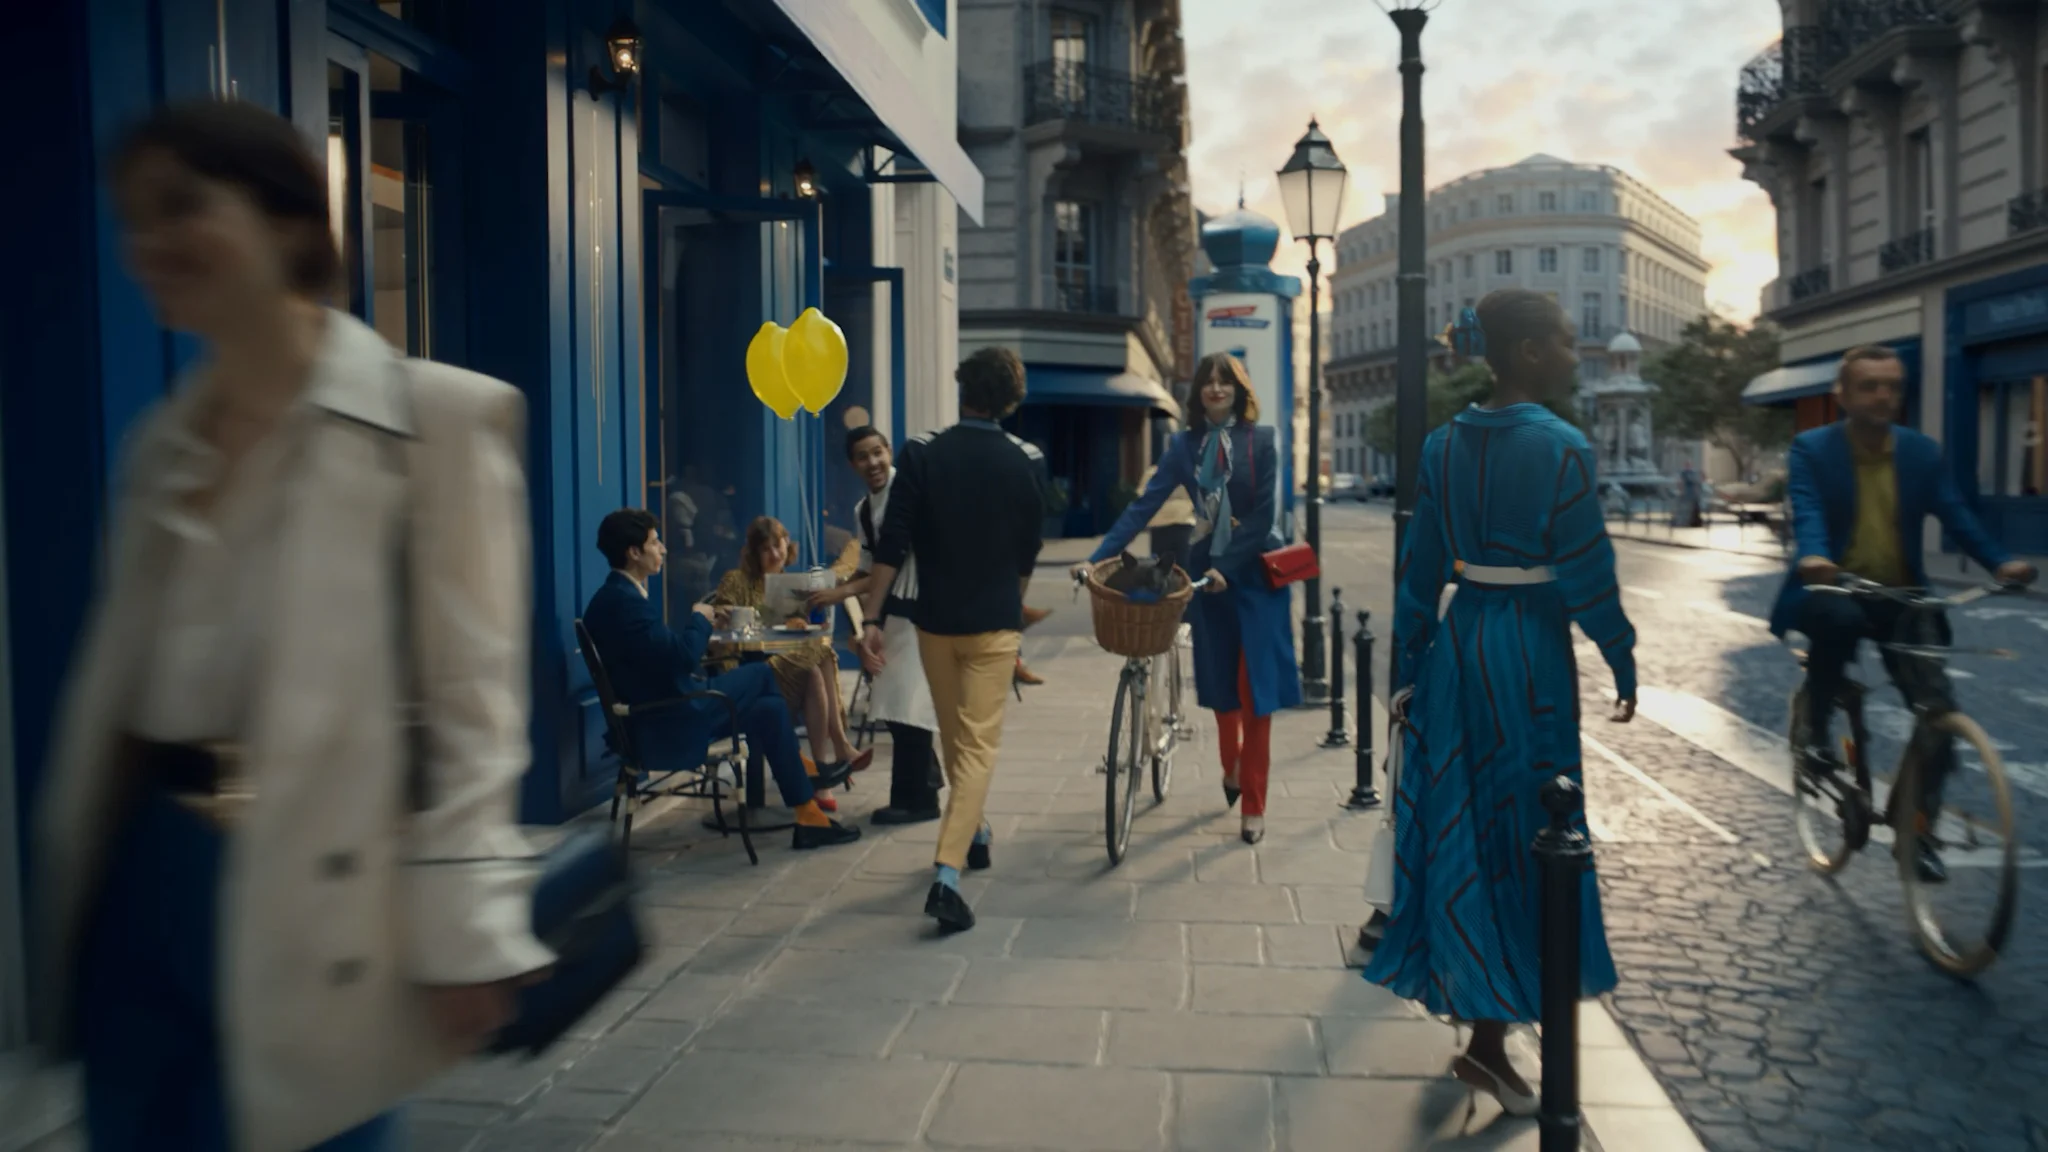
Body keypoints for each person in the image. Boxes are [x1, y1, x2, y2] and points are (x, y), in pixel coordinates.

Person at [31, 99, 553, 1152]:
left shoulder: (434, 423)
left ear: (285, 219)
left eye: (182, 205)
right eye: (135, 220)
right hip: (143, 871)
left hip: (319, 878)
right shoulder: (159, 448)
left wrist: (463, 925)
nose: (150, 243)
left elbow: (474, 703)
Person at [1362, 292, 1638, 1118]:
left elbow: (1419, 570)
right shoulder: (1562, 447)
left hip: (1461, 647)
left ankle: (1486, 1023)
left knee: (1469, 829)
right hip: (1529, 659)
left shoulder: (1443, 445)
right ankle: (1492, 1039)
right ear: (1526, 352)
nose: (1576, 355)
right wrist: (1621, 654)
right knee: (1536, 836)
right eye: (1565, 342)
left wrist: (1410, 669)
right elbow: (1588, 571)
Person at [1771, 345, 2037, 881]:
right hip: (1838, 588)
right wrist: (1815, 558)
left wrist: (2000, 562)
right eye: (1869, 386)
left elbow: (1956, 513)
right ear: (1843, 394)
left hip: (1900, 596)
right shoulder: (1813, 449)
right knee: (1838, 624)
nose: (1883, 396)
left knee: (1938, 712)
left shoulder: (1920, 452)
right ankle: (1816, 732)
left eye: (1892, 386)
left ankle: (1917, 832)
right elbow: (1809, 508)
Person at [858, 348, 1048, 932]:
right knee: (977, 746)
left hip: (934, 623)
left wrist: (870, 619)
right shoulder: (1027, 460)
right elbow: (1028, 549)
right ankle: (947, 873)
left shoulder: (920, 452)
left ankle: (976, 831)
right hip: (993, 623)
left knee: (958, 738)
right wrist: (1015, 603)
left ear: (962, 388)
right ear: (1011, 400)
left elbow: (893, 543)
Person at [1077, 353, 1298, 844]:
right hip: (1207, 577)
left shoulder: (1262, 441)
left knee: (1255, 692)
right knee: (1220, 685)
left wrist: (1227, 566)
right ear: (1198, 392)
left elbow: (1263, 517)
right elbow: (1143, 507)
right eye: (1208, 382)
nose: (1216, 389)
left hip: (1257, 575)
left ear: (1239, 389)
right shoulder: (1184, 446)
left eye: (1225, 381)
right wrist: (1096, 558)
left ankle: (1254, 804)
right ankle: (1231, 765)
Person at [583, 509, 862, 850]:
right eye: (655, 542)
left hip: (665, 710)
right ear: (634, 552)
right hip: (669, 721)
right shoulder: (626, 604)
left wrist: (704, 624)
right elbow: (683, 658)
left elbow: (663, 656)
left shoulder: (615, 599)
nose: (664, 549)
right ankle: (805, 772)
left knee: (769, 710)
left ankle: (809, 816)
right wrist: (699, 618)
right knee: (761, 673)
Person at [812, 427, 946, 824]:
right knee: (900, 704)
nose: (872, 462)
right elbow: (871, 568)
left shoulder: (910, 493)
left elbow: (891, 564)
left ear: (889, 451)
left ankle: (914, 800)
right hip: (893, 612)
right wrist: (836, 586)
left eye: (877, 452)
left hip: (919, 608)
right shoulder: (863, 510)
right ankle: (922, 791)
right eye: (862, 456)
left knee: (906, 704)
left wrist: (842, 593)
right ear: (852, 464)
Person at [710, 516, 871, 781]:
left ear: (787, 543)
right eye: (765, 549)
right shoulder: (736, 580)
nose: (774, 554)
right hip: (750, 668)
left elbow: (799, 634)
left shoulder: (792, 585)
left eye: (777, 545)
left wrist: (806, 623)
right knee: (817, 663)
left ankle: (824, 765)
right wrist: (734, 614)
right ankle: (834, 754)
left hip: (788, 663)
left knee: (818, 662)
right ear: (754, 553)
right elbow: (720, 617)